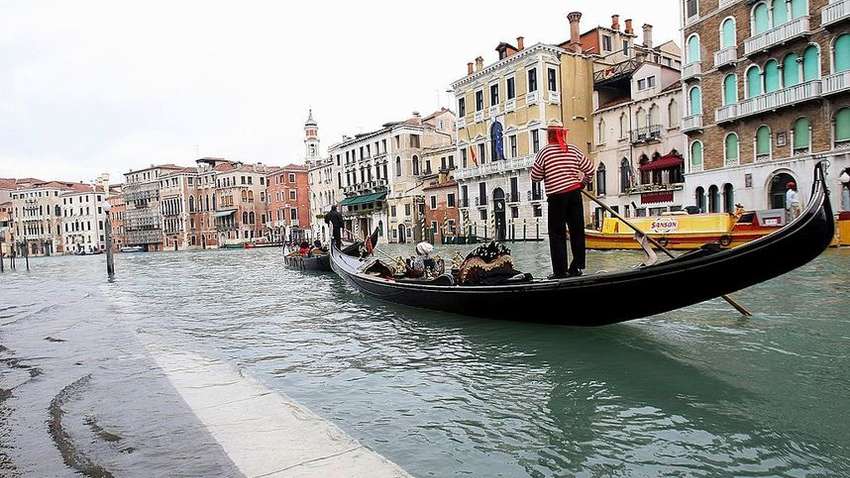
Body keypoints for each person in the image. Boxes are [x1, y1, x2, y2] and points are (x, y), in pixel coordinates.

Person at [530, 126, 594, 279]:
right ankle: (576, 267)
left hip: (557, 197)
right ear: (563, 134)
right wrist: (583, 182)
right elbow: (590, 168)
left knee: (557, 234)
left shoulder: (544, 152)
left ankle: (560, 271)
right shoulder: (572, 150)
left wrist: (549, 172)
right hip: (574, 194)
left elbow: (535, 176)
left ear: (549, 136)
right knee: (577, 231)